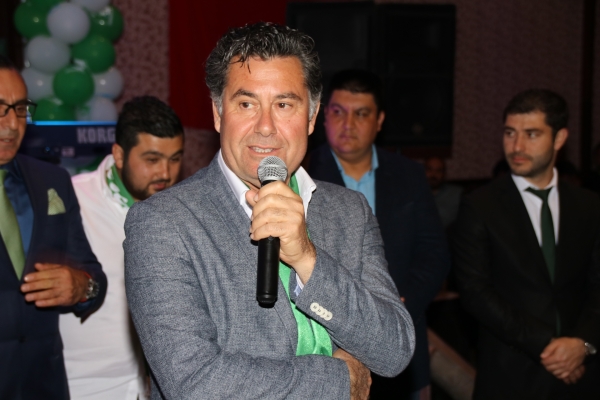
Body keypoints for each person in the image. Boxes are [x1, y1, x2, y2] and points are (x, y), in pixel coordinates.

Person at [123, 22, 415, 400]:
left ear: (312, 117)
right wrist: (341, 380)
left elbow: (395, 351)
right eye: (246, 104)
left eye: (283, 105)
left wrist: (307, 258)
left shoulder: (349, 211)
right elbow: (194, 383)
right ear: (218, 113)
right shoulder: (163, 223)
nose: (265, 127)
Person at [308, 69, 450, 400]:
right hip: (329, 346)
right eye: (338, 112)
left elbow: (435, 253)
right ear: (323, 115)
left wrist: (401, 304)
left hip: (401, 345)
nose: (348, 124)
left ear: (380, 120)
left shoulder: (409, 175)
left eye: (361, 114)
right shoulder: (304, 173)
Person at [453, 89, 600, 399]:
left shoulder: (589, 206)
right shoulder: (480, 205)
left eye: (531, 134)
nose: (517, 146)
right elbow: (475, 292)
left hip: (582, 375)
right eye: (510, 133)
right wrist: (549, 346)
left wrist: (582, 345)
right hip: (511, 374)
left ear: (559, 139)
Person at [59, 96, 184, 400]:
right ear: (118, 154)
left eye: (175, 159)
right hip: (80, 387)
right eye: (152, 160)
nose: (165, 173)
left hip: (150, 388)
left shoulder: (180, 207)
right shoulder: (71, 199)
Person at [0, 55, 106, 399]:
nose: (12, 124)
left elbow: (93, 275)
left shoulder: (52, 181)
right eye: (0, 108)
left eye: (20, 108)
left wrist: (81, 287)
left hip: (43, 385)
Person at [424, 156, 463, 230]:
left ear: (444, 173)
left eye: (438, 170)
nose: (433, 174)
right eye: (429, 169)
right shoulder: (413, 194)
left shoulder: (457, 194)